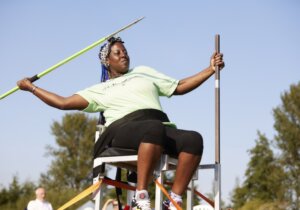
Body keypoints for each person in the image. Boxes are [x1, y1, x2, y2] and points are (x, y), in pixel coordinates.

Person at [17, 37, 224, 210]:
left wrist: (210, 69)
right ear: (107, 61)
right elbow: (62, 102)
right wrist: (31, 88)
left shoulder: (143, 71)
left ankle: (174, 200)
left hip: (157, 126)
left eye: (125, 51)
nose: (124, 55)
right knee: (153, 129)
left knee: (193, 139)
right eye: (117, 53)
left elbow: (179, 86)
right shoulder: (100, 89)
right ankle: (140, 197)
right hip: (123, 130)